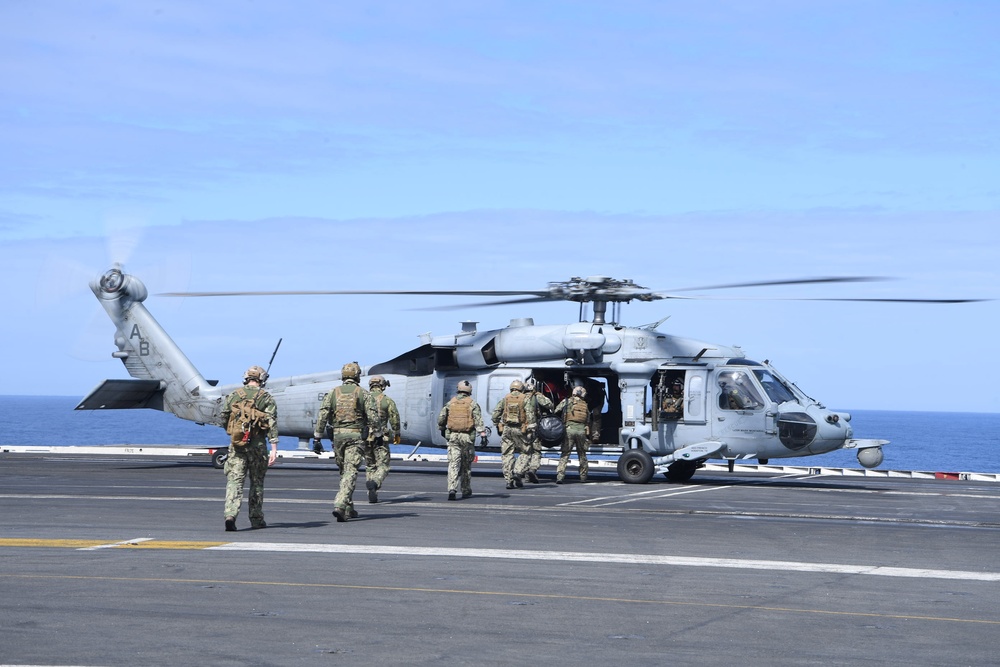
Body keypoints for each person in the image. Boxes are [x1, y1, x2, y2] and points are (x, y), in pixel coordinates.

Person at [220, 365, 279, 531]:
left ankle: (230, 514)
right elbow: (271, 423)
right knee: (257, 483)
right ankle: (256, 518)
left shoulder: (234, 395)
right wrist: (274, 448)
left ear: (246, 377)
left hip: (237, 445)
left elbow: (224, 416)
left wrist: (233, 433)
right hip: (257, 446)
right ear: (262, 379)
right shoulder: (266, 397)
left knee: (234, 481)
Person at [314, 362, 369, 522]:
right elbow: (372, 416)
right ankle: (340, 503)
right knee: (351, 471)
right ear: (357, 375)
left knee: (344, 472)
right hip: (355, 437)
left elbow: (323, 415)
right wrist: (377, 433)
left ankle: (348, 508)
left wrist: (317, 438)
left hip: (337, 437)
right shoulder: (362, 393)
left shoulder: (333, 393)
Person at [437, 380, 487, 501]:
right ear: (469, 391)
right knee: (466, 465)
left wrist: (442, 428)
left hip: (453, 437)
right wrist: (483, 434)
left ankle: (452, 489)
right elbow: (478, 420)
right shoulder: (472, 404)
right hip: (467, 437)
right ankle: (465, 490)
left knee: (453, 463)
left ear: (458, 389)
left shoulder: (450, 403)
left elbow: (441, 418)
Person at [491, 379, 536, 490]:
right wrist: (531, 429)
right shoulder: (525, 398)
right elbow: (530, 414)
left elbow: (495, 414)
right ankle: (518, 472)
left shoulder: (506, 398)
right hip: (521, 429)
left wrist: (497, 424)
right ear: (521, 388)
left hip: (507, 429)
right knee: (526, 452)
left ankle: (509, 481)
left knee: (507, 455)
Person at [363, 375, 399, 504]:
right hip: (381, 437)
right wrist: (397, 433)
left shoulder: (363, 399)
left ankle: (371, 493)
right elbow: (394, 418)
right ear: (382, 386)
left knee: (370, 466)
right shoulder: (387, 400)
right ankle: (375, 482)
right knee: (383, 465)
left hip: (366, 437)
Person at [554, 385, 591, 484]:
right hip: (581, 431)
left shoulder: (567, 401)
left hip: (569, 430)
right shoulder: (585, 405)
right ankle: (583, 477)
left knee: (565, 454)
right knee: (582, 454)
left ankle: (560, 476)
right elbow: (587, 419)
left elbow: (556, 410)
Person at [520, 378, 554, 483]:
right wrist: (540, 395)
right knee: (536, 452)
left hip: (521, 430)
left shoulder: (518, 398)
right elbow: (550, 404)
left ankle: (523, 473)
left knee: (525, 452)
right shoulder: (537, 397)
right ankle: (532, 470)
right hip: (534, 429)